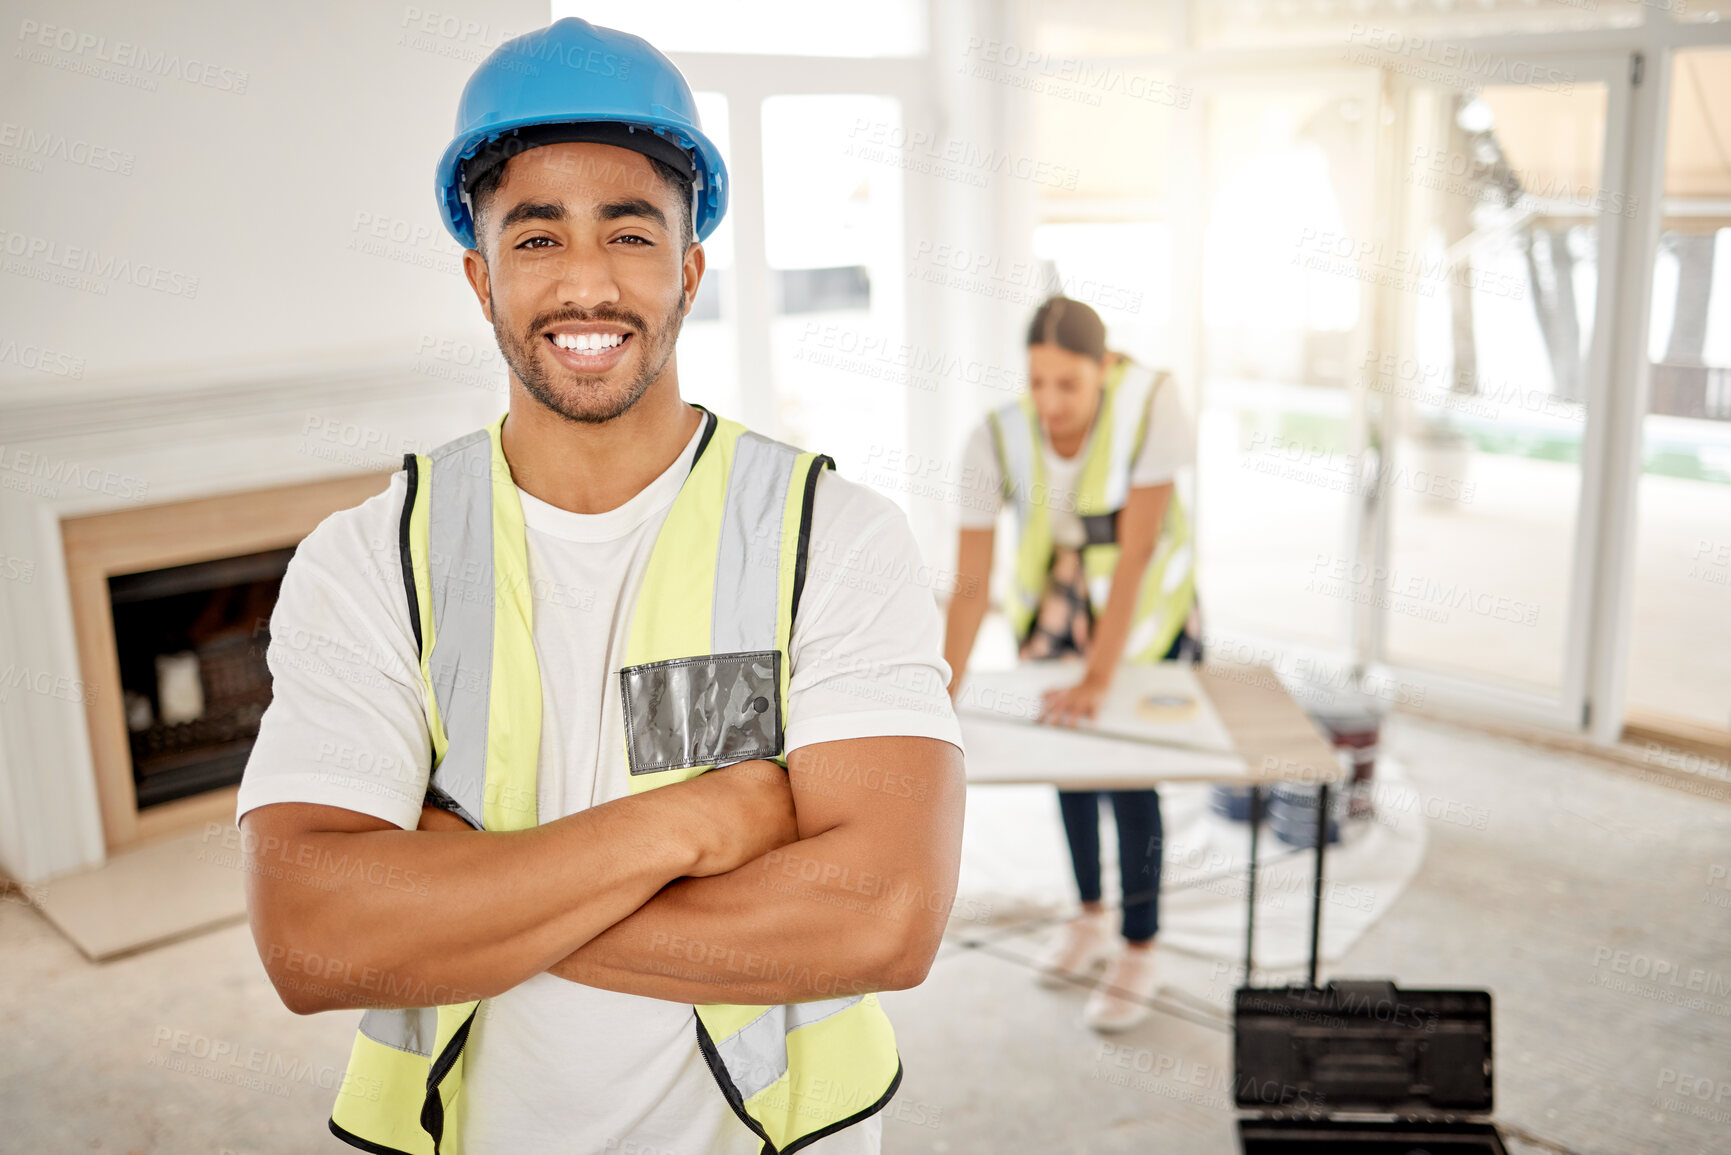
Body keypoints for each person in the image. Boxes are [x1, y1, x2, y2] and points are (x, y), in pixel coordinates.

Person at [237, 18, 965, 1155]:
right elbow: (312, 937)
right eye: (536, 241)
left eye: (630, 233)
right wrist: (706, 817)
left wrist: (451, 890)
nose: (586, 284)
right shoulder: (372, 559)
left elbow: (885, 917)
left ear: (690, 266)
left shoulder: (834, 539)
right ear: (479, 277)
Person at [942, 295, 1200, 1033]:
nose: (1050, 403)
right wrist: (943, 687)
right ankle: (1088, 913)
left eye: (1069, 385)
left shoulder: (1152, 402)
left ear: (1105, 367)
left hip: (1139, 607)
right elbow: (968, 584)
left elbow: (1139, 551)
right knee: (1066, 760)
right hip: (1053, 603)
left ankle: (1139, 945)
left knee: (1124, 767)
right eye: (1037, 382)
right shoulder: (992, 439)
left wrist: (1098, 677)